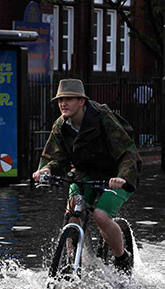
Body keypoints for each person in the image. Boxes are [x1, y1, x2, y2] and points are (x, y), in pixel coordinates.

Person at [33, 79, 142, 275]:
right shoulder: (60, 125)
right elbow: (54, 156)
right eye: (60, 100)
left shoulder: (102, 118)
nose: (63, 104)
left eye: (68, 99)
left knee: (101, 216)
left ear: (81, 101)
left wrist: (122, 177)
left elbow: (127, 152)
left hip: (114, 175)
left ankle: (121, 258)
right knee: (73, 211)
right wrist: (46, 170)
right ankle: (70, 262)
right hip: (83, 174)